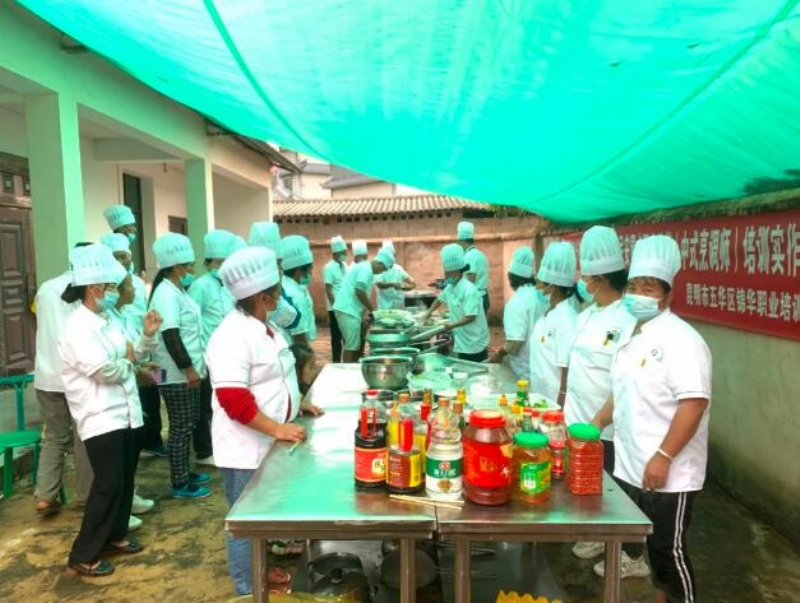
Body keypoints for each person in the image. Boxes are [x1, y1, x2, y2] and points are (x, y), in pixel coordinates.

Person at [591, 235, 712, 603]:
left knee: (668, 553)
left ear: (667, 295)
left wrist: (663, 456)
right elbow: (622, 390)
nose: (638, 295)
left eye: (649, 288)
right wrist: (595, 424)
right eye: (633, 287)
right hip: (632, 463)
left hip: (669, 472)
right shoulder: (633, 335)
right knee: (648, 548)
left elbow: (694, 403)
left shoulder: (683, 341)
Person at [206, 246, 323, 596]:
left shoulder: (264, 326)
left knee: (263, 515)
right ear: (262, 296)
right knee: (246, 522)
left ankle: (261, 567)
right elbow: (234, 400)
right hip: (245, 448)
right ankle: (248, 587)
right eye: (277, 290)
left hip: (267, 439)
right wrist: (277, 427)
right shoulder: (230, 336)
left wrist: (297, 403)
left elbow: (277, 376)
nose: (280, 295)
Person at [60, 244, 162, 577]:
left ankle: (115, 534)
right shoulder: (77, 326)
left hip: (127, 412)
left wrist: (146, 336)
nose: (115, 292)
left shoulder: (110, 318)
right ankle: (83, 553)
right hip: (100, 415)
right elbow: (102, 370)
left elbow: (134, 353)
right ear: (94, 288)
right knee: (108, 483)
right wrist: (129, 363)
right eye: (111, 286)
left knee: (124, 480)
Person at [562, 227, 642, 569]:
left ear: (600, 278)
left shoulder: (628, 319)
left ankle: (631, 555)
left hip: (608, 427)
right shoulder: (586, 314)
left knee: (617, 491)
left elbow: (626, 380)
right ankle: (597, 534)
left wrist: (600, 420)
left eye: (586, 275)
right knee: (588, 484)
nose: (582, 281)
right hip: (578, 422)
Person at [148, 233, 212, 499]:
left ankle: (184, 471)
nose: (192, 272)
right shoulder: (166, 294)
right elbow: (170, 335)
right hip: (173, 373)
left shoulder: (176, 291)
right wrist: (189, 369)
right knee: (180, 426)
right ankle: (180, 482)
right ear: (176, 268)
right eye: (189, 266)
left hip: (178, 371)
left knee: (187, 422)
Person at [32, 245, 93, 517]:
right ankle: (86, 494)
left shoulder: (45, 288)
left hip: (46, 376)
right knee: (84, 435)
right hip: (75, 375)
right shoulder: (86, 290)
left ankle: (45, 495)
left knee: (53, 436)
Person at [101, 233, 167, 459]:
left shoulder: (137, 283)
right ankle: (148, 440)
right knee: (144, 397)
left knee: (154, 396)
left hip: (145, 351)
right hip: (132, 363)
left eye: (124, 256)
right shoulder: (106, 317)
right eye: (116, 256)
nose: (122, 261)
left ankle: (154, 439)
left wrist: (147, 335)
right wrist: (137, 366)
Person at [187, 229, 242, 467]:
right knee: (203, 405)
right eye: (217, 263)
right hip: (205, 355)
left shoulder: (228, 286)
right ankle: (203, 450)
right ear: (208, 263)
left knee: (219, 402)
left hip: (227, 353)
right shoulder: (200, 286)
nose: (220, 267)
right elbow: (192, 322)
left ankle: (217, 443)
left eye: (224, 262)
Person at [529, 241, 579, 406]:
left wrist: (561, 402)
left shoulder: (567, 319)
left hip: (553, 400)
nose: (537, 287)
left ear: (552, 287)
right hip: (540, 396)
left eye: (540, 283)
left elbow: (566, 367)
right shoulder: (548, 313)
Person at [423, 244, 490, 362]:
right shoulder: (450, 286)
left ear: (457, 272)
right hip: (462, 338)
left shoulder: (469, 290)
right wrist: (429, 312)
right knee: (463, 365)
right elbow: (440, 299)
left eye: (448, 274)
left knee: (474, 368)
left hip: (474, 340)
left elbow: (470, 317)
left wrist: (451, 326)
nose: (445, 277)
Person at [490, 246, 546, 379]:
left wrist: (499, 354)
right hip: (542, 365)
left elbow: (514, 343)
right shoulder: (541, 295)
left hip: (523, 369)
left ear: (511, 279)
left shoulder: (516, 302)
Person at [333, 247, 394, 362]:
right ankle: (346, 370)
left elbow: (360, 293)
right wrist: (372, 309)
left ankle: (352, 367)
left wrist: (363, 315)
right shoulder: (366, 268)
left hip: (350, 310)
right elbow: (359, 291)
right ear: (380, 263)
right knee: (351, 346)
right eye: (383, 269)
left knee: (354, 345)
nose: (381, 272)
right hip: (347, 310)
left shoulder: (366, 269)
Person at [248, 222, 301, 332]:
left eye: (279, 263)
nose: (279, 269)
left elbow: (294, 319)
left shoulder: (280, 288)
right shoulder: (243, 289)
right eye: (276, 264)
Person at [280, 235, 317, 345]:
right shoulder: (295, 295)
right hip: (295, 348)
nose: (311, 273)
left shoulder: (287, 285)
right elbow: (299, 338)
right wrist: (308, 353)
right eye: (310, 269)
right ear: (299, 270)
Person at [323, 235, 348, 363]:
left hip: (345, 307)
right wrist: (335, 307)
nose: (344, 254)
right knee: (336, 337)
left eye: (345, 251)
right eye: (342, 252)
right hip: (334, 308)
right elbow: (328, 290)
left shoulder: (345, 265)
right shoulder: (328, 268)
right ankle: (336, 362)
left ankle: (347, 361)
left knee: (346, 336)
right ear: (335, 252)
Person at [455, 221, 490, 312]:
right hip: (483, 296)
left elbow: (470, 280)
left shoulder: (469, 256)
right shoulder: (480, 254)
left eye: (458, 242)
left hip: (476, 298)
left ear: (462, 241)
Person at [374, 240, 415, 310]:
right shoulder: (380, 268)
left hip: (398, 305)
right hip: (384, 306)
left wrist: (405, 287)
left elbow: (411, 282)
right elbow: (379, 284)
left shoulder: (398, 268)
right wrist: (393, 285)